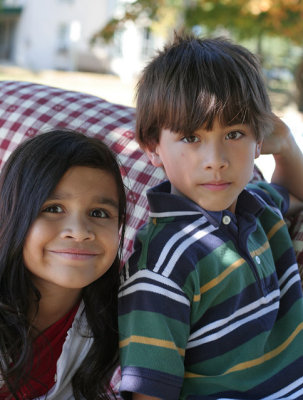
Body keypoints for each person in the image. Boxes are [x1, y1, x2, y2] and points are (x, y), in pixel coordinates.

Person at [118, 33, 303, 399]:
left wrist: (285, 148)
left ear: (258, 140)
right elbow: (149, 391)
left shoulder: (258, 206)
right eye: (191, 138)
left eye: (235, 133)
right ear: (153, 148)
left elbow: (296, 193)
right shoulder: (163, 267)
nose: (216, 159)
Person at [0, 130, 126, 399]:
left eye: (99, 213)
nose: (79, 232)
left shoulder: (122, 319)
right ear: (12, 214)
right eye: (54, 208)